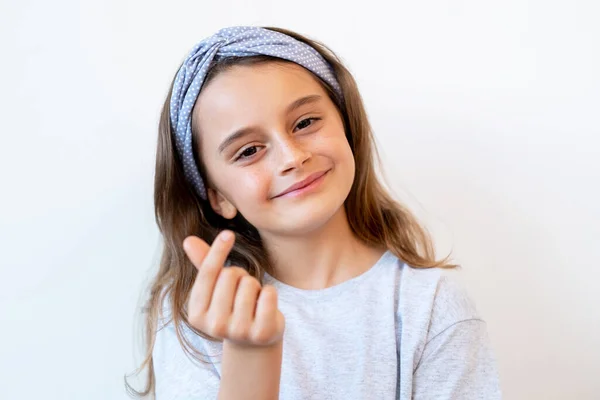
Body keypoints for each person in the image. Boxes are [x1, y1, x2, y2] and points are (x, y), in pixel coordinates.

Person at [125, 25, 502, 399]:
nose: (292, 157)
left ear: (346, 125)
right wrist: (250, 357)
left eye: (305, 123)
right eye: (249, 150)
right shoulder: (198, 315)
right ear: (218, 196)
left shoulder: (431, 306)